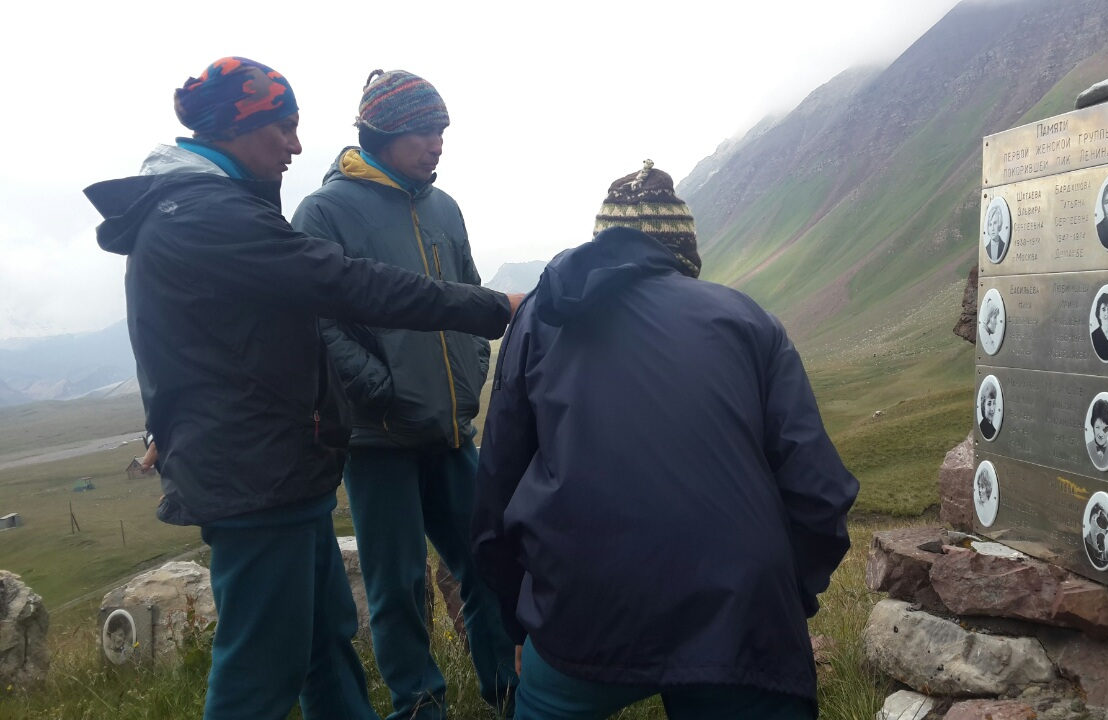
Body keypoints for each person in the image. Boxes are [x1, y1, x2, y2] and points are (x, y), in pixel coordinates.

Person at [84, 57, 520, 720]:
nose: (295, 144)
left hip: (288, 467)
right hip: (256, 473)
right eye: (283, 128)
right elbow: (347, 287)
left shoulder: (208, 209)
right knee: (262, 669)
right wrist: (498, 309)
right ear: (237, 126)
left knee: (321, 642)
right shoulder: (208, 219)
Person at [472, 161, 859, 720]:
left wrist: (519, 621)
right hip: (741, 611)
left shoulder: (541, 318)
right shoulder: (751, 322)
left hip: (577, 614)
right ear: (685, 250)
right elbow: (819, 494)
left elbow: (496, 489)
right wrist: (781, 599)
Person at [291, 69, 518, 720]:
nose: (437, 143)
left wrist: (472, 370)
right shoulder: (325, 211)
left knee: (488, 561)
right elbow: (317, 318)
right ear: (383, 132)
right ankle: (420, 705)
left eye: (442, 130)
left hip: (450, 432)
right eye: (425, 130)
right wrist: (375, 391)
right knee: (397, 586)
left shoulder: (443, 208)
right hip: (378, 439)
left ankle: (508, 690)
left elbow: (473, 298)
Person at [1088, 399, 1108, 471]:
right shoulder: (1088, 447)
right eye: (1097, 427)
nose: (1101, 434)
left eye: (1105, 428)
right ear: (1093, 426)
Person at [1085, 502, 1108, 568]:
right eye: (1099, 521)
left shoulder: (1107, 554)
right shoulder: (1083, 546)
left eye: (1104, 524)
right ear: (1091, 520)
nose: (1100, 530)